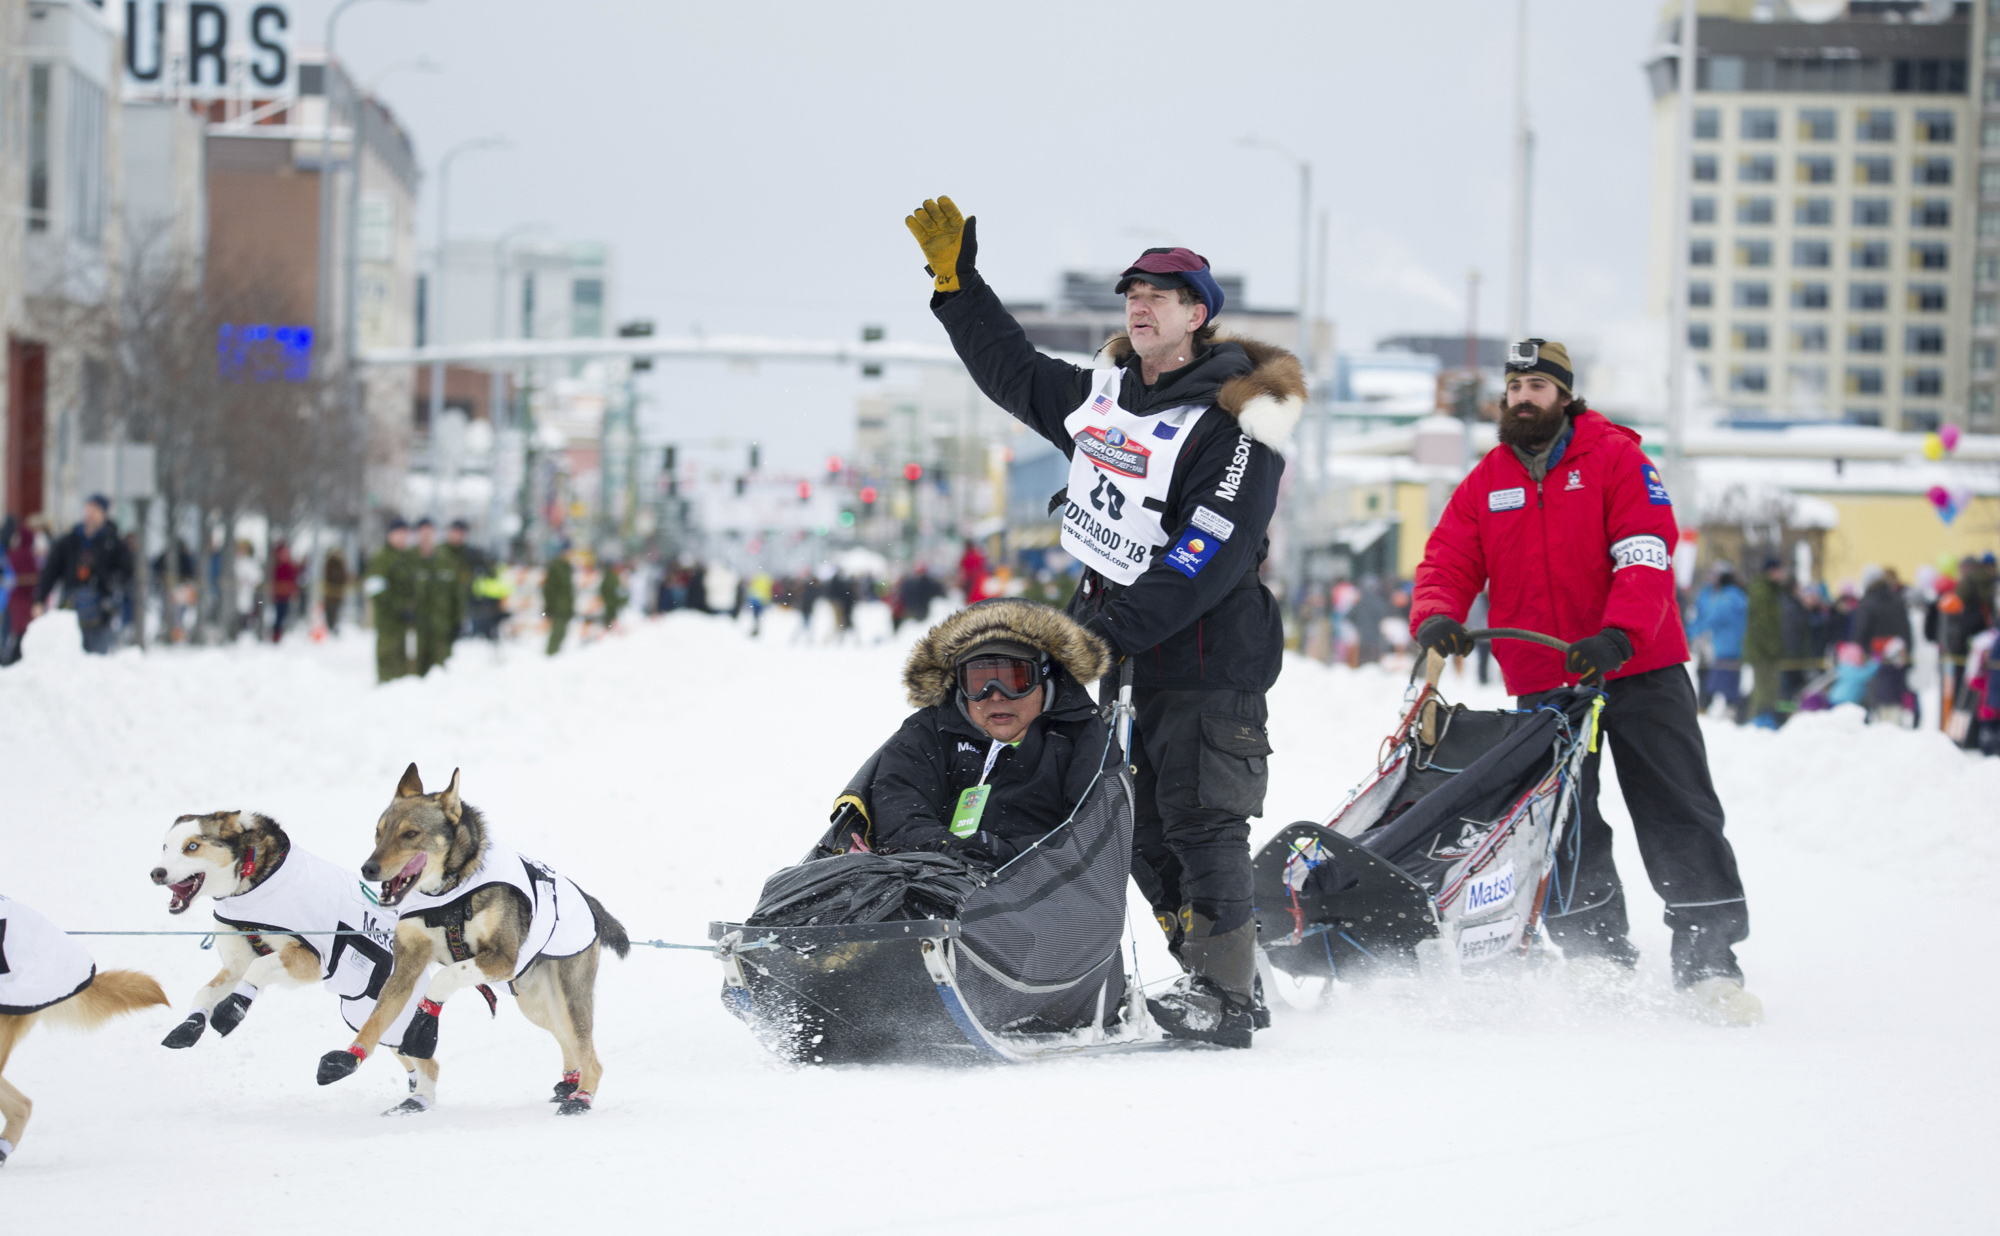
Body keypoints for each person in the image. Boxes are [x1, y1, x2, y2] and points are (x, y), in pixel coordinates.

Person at [908, 197, 1302, 1046]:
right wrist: (957, 286)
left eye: (1160, 294)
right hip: (1121, 652)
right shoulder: (1103, 401)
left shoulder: (1233, 423)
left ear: (1197, 315)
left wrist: (1105, 633)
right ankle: (1218, 970)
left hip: (1207, 657)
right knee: (1139, 828)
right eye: (1133, 292)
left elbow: (1207, 553)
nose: (1140, 304)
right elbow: (1011, 370)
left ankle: (1227, 998)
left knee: (1202, 819)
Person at [1410, 338, 1760, 1026]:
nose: (1523, 399)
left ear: (1564, 396)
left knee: (1675, 808)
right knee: (1562, 823)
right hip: (1547, 680)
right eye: (1515, 388)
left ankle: (1710, 962)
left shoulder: (1617, 458)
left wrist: (1620, 631)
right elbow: (1447, 559)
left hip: (1639, 666)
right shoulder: (1486, 481)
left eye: (1537, 387)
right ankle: (1596, 953)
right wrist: (1438, 616)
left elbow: (1646, 550)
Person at [869, 598, 1112, 867]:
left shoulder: (1080, 736)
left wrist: (997, 854)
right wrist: (955, 853)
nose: (996, 695)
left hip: (1046, 889)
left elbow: (1091, 838)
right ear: (960, 685)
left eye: (1015, 679)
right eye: (979, 682)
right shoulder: (930, 733)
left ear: (1045, 678)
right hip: (938, 881)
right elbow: (900, 816)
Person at [32, 495, 133, 654]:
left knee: (96, 661)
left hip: (100, 615)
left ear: (104, 514)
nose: (90, 514)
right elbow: (50, 572)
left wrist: (110, 588)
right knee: (68, 658)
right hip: (70, 611)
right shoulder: (69, 541)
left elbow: (126, 574)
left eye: (95, 510)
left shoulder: (114, 543)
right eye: (88, 509)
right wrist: (39, 599)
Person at [1686, 566, 1748, 718]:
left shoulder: (1728, 597)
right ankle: (1720, 708)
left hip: (1727, 646)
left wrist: (1690, 632)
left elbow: (1713, 617)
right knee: (1724, 678)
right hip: (1729, 645)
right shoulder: (1735, 594)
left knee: (1724, 680)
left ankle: (1729, 711)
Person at [363, 519, 419, 684]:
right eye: (399, 533)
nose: (403, 538)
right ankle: (385, 686)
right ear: (390, 535)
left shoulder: (407, 558)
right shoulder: (382, 558)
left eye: (405, 534)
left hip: (404, 619)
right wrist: (398, 608)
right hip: (387, 618)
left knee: (401, 657)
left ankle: (398, 689)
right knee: (388, 654)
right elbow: (375, 589)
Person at [1743, 557, 1788, 726]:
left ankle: (1760, 721)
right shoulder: (1762, 591)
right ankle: (1758, 722)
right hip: (1762, 651)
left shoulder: (1770, 590)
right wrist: (1772, 648)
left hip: (1765, 650)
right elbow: (1763, 624)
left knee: (1766, 689)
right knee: (1764, 690)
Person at [411, 519, 453, 675]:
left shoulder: (445, 559)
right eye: (423, 533)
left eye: (429, 533)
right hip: (415, 624)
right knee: (415, 670)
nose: (426, 536)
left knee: (439, 668)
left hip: (440, 623)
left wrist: (457, 620)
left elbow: (455, 591)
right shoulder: (408, 559)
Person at [3, 520, 39, 665]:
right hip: (23, 598)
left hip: (15, 597)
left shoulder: (15, 553)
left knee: (16, 629)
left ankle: (12, 657)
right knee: (21, 630)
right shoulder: (28, 555)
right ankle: (13, 658)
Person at [543, 544, 575, 656]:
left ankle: (556, 653)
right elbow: (549, 588)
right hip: (558, 604)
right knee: (558, 629)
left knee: (563, 630)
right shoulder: (556, 567)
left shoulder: (567, 567)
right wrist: (549, 605)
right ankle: (551, 652)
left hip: (566, 604)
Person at [270, 543, 301, 642]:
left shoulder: (289, 566)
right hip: (278, 595)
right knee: (278, 615)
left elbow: (293, 578)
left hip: (286, 595)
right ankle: (276, 634)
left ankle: (279, 634)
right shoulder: (277, 566)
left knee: (284, 614)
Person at [322, 548, 350, 635]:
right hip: (331, 592)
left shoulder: (339, 563)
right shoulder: (332, 563)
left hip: (337, 592)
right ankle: (330, 627)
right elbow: (335, 575)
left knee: (335, 610)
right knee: (331, 610)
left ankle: (333, 627)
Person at [598, 560, 627, 629]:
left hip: (607, 605)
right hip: (612, 606)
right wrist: (623, 601)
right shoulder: (614, 579)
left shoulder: (606, 577)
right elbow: (618, 594)